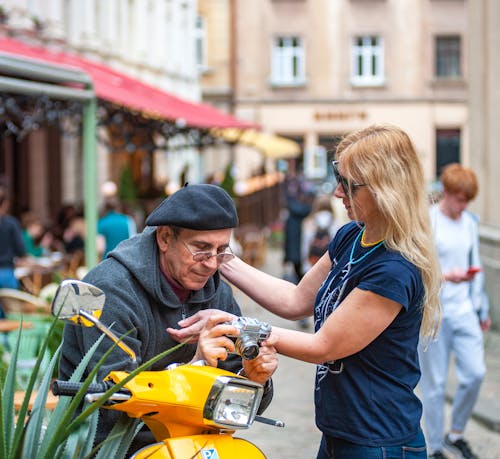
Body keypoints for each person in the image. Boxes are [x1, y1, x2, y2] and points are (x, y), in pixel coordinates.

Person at [204, 124, 441, 458]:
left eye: (347, 184)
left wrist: (239, 326)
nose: (337, 193)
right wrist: (221, 259)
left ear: (384, 188)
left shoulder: (394, 269)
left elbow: (324, 347)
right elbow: (296, 300)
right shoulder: (350, 236)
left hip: (378, 441)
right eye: (337, 177)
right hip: (340, 433)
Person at [58, 183, 277, 454]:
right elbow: (113, 403)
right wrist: (196, 367)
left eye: (221, 250)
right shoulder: (112, 289)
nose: (211, 263)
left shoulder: (217, 291)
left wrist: (253, 378)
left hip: (194, 445)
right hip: (114, 449)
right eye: (201, 248)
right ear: (164, 239)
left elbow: (236, 406)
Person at [419, 163, 490, 459]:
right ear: (447, 193)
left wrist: (481, 306)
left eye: (467, 201)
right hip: (434, 312)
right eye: (460, 199)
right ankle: (435, 446)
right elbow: (421, 267)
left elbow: (478, 264)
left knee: (475, 373)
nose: (463, 206)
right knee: (434, 385)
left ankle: (456, 432)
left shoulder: (469, 223)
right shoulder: (429, 221)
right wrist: (448, 275)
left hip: (464, 309)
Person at [0, 186, 26, 291]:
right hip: (6, 274)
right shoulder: (11, 223)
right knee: (11, 306)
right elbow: (21, 251)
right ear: (5, 204)